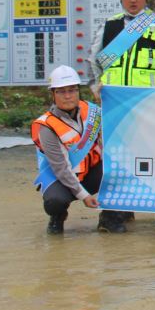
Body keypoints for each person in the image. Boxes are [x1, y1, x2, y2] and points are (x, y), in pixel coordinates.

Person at [87, 0, 155, 231]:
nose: (133, 0)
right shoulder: (110, 25)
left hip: (151, 103)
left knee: (154, 155)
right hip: (116, 104)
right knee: (117, 158)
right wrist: (96, 86)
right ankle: (116, 211)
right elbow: (94, 59)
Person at [31, 65, 103, 235]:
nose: (68, 96)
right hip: (61, 178)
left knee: (115, 171)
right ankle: (57, 217)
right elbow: (61, 168)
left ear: (78, 91)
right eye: (61, 92)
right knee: (55, 201)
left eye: (72, 90)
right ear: (53, 95)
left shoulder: (91, 111)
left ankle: (110, 217)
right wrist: (84, 196)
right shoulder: (46, 126)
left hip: (90, 171)